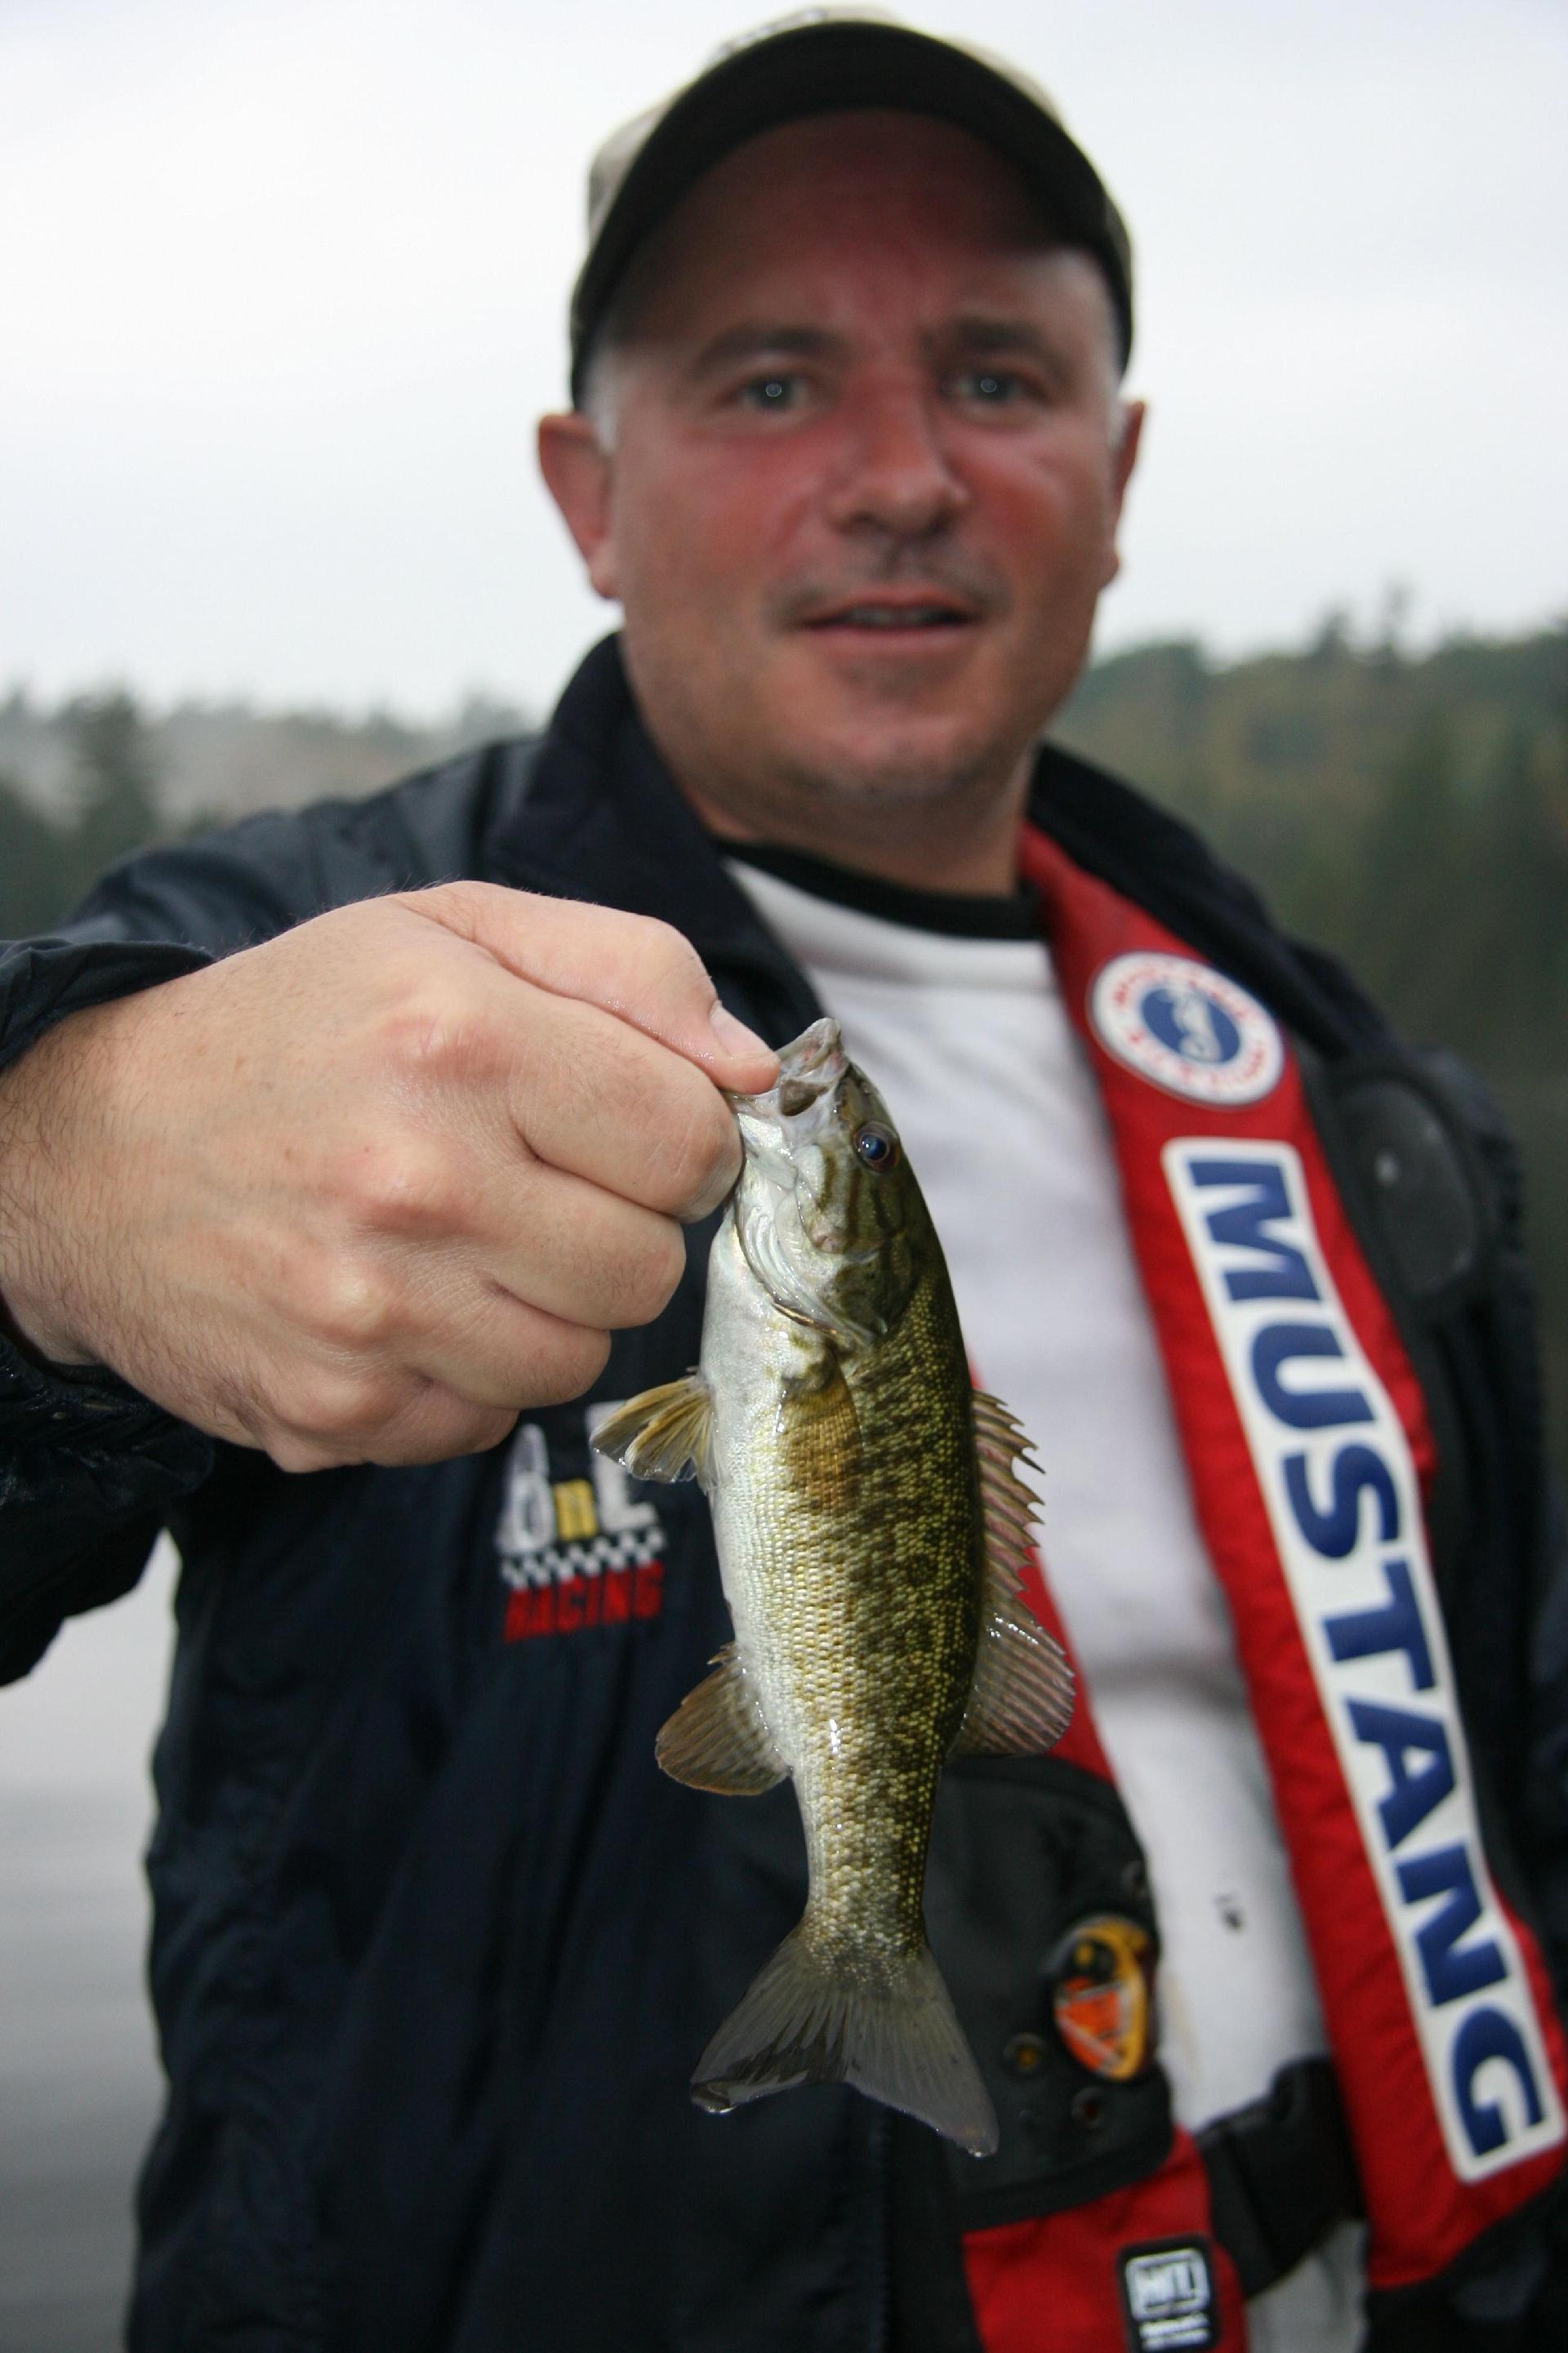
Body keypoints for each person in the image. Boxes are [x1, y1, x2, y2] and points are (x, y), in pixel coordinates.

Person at [2, 14, 1565, 2350]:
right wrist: (50, 1184)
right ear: (583, 488)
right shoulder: (326, 961)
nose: (903, 474)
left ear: (1121, 477)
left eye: (1000, 380)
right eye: (766, 384)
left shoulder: (1332, 1082)